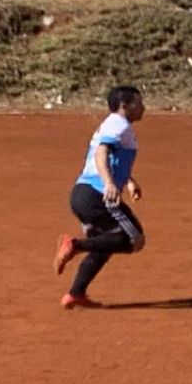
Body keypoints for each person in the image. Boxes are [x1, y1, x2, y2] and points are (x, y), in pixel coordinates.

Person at [53, 86, 148, 309]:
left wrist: (129, 181)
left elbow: (113, 156)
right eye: (138, 102)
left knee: (104, 245)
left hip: (83, 195)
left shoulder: (115, 125)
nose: (143, 107)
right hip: (97, 194)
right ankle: (75, 245)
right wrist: (109, 183)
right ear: (124, 106)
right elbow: (101, 152)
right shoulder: (118, 123)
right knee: (133, 240)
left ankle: (75, 293)